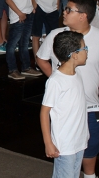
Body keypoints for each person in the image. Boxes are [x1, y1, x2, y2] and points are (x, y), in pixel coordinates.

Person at [36, 0, 99, 178]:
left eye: (69, 9)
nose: (64, 12)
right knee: (66, 158)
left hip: (89, 105)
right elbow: (41, 59)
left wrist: (92, 77)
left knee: (88, 148)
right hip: (66, 109)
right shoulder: (56, 35)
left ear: (83, 15)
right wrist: (60, 79)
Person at [40, 31, 89, 178]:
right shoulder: (56, 81)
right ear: (74, 55)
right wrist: (48, 143)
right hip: (65, 144)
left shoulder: (77, 74)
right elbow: (44, 112)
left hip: (78, 140)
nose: (87, 52)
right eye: (84, 49)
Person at [5, 0, 35, 80]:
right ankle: (12, 69)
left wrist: (33, 6)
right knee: (12, 45)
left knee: (24, 43)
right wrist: (19, 13)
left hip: (28, 14)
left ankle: (26, 67)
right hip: (19, 17)